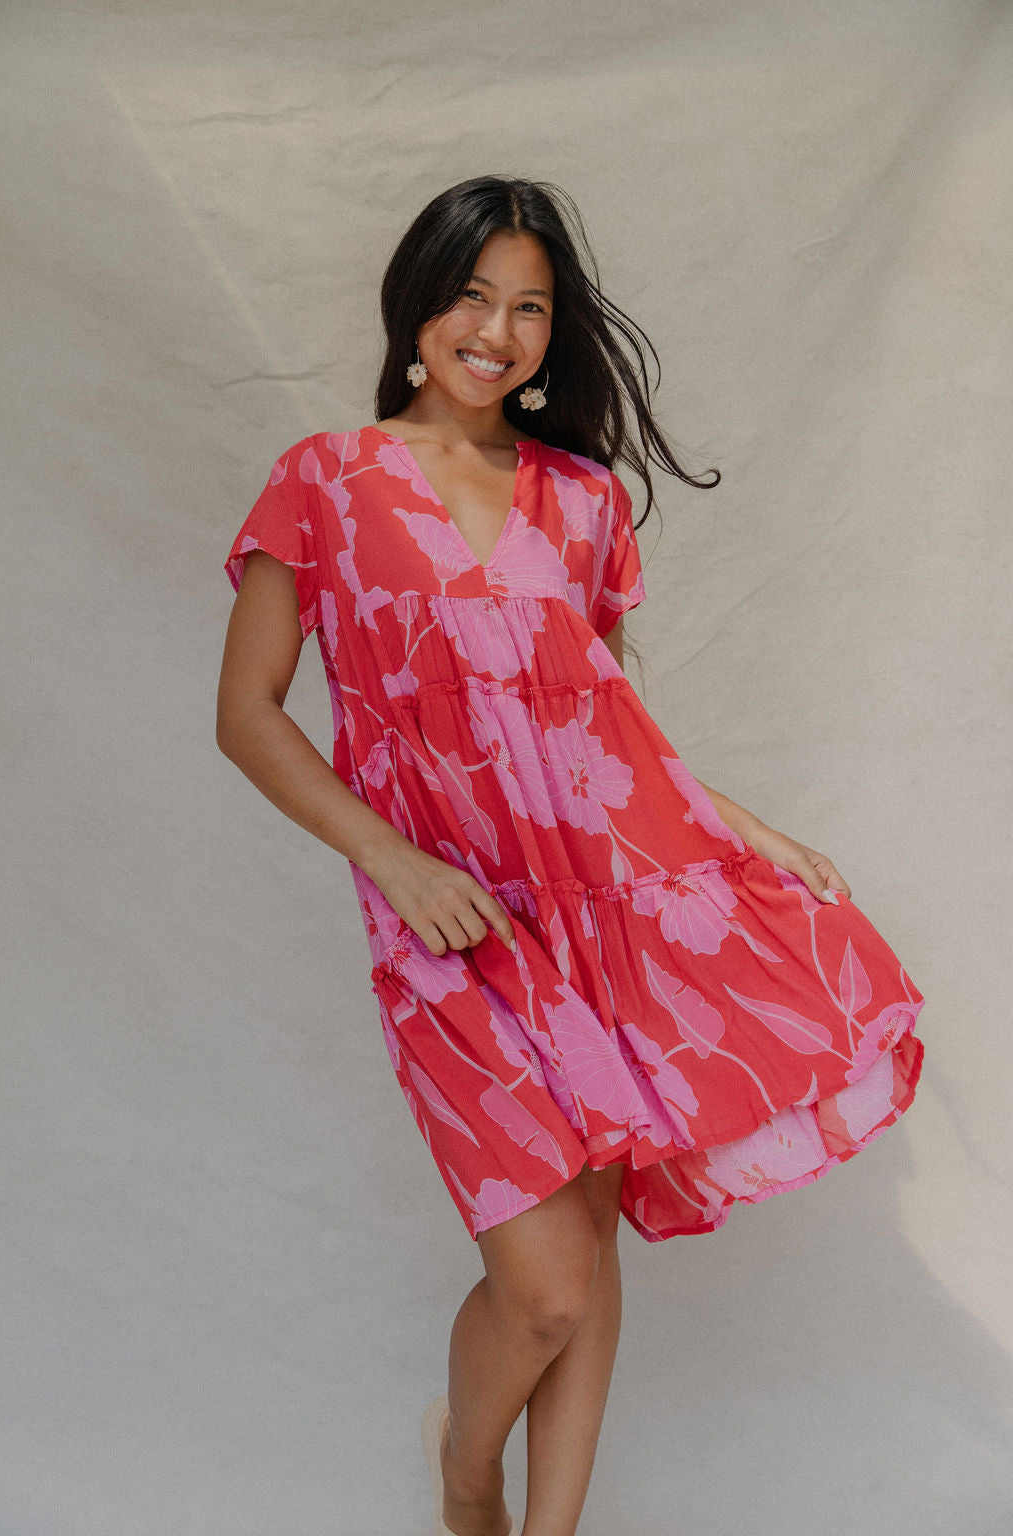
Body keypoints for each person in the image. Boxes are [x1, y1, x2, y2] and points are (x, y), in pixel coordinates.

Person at [216, 175, 925, 1536]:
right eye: (474, 293)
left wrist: (741, 825)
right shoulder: (324, 479)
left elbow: (594, 732)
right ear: (417, 301)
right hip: (446, 924)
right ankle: (468, 1471)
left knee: (587, 1264)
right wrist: (396, 865)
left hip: (600, 907)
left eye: (530, 305)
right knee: (537, 1287)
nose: (498, 327)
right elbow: (246, 716)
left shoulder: (583, 502)